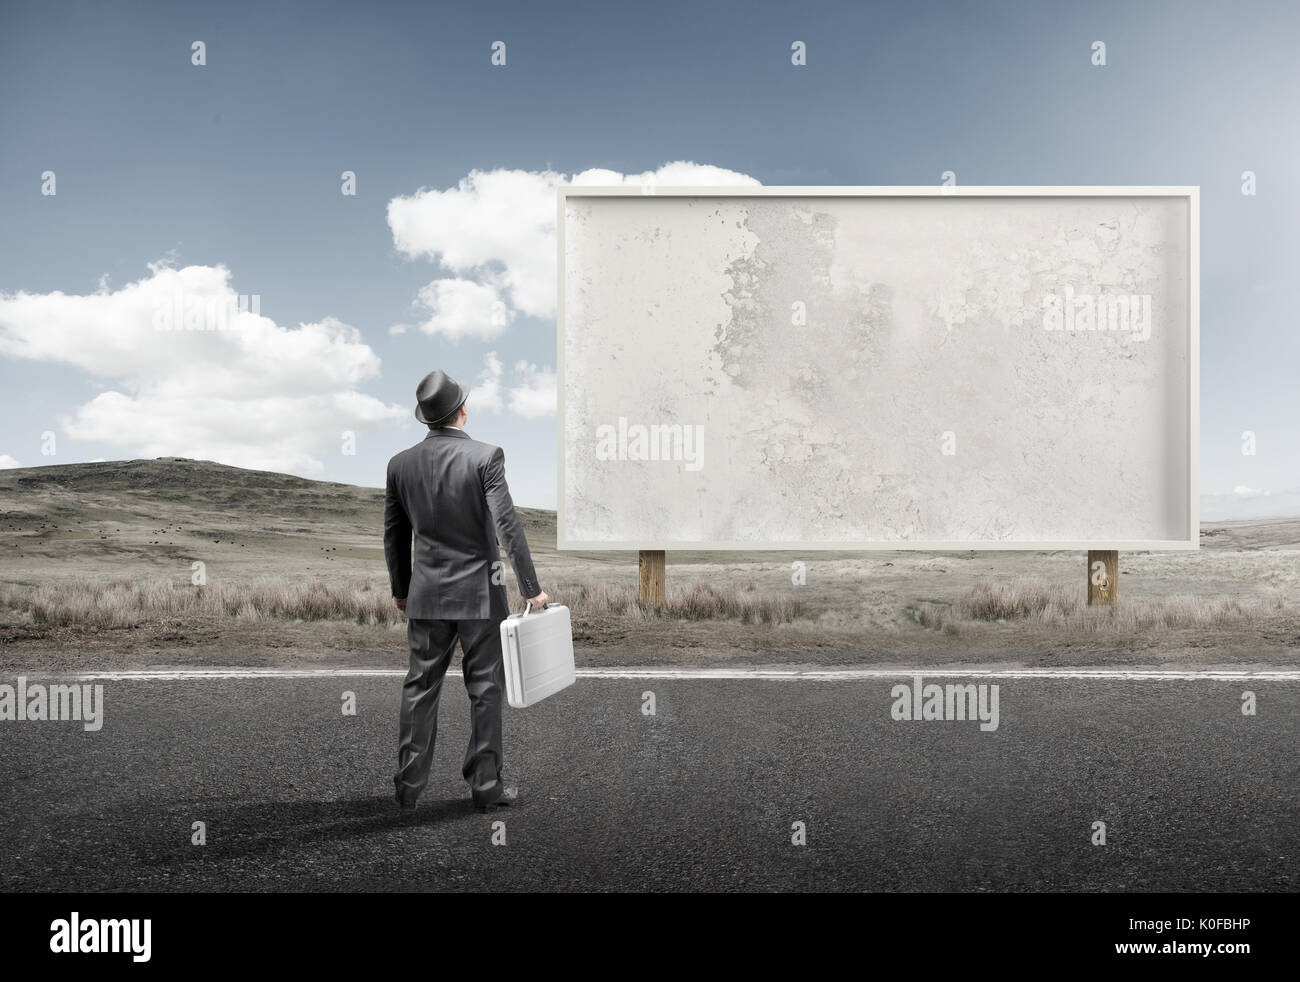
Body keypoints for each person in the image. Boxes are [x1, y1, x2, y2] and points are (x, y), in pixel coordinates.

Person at [384, 369, 547, 813]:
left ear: (426, 418)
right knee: (485, 689)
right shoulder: (486, 456)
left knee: (419, 686)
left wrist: (402, 588)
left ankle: (407, 788)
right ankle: (485, 787)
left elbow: (395, 534)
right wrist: (531, 589)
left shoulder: (399, 464)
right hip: (480, 594)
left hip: (426, 595)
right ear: (462, 411)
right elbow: (507, 525)